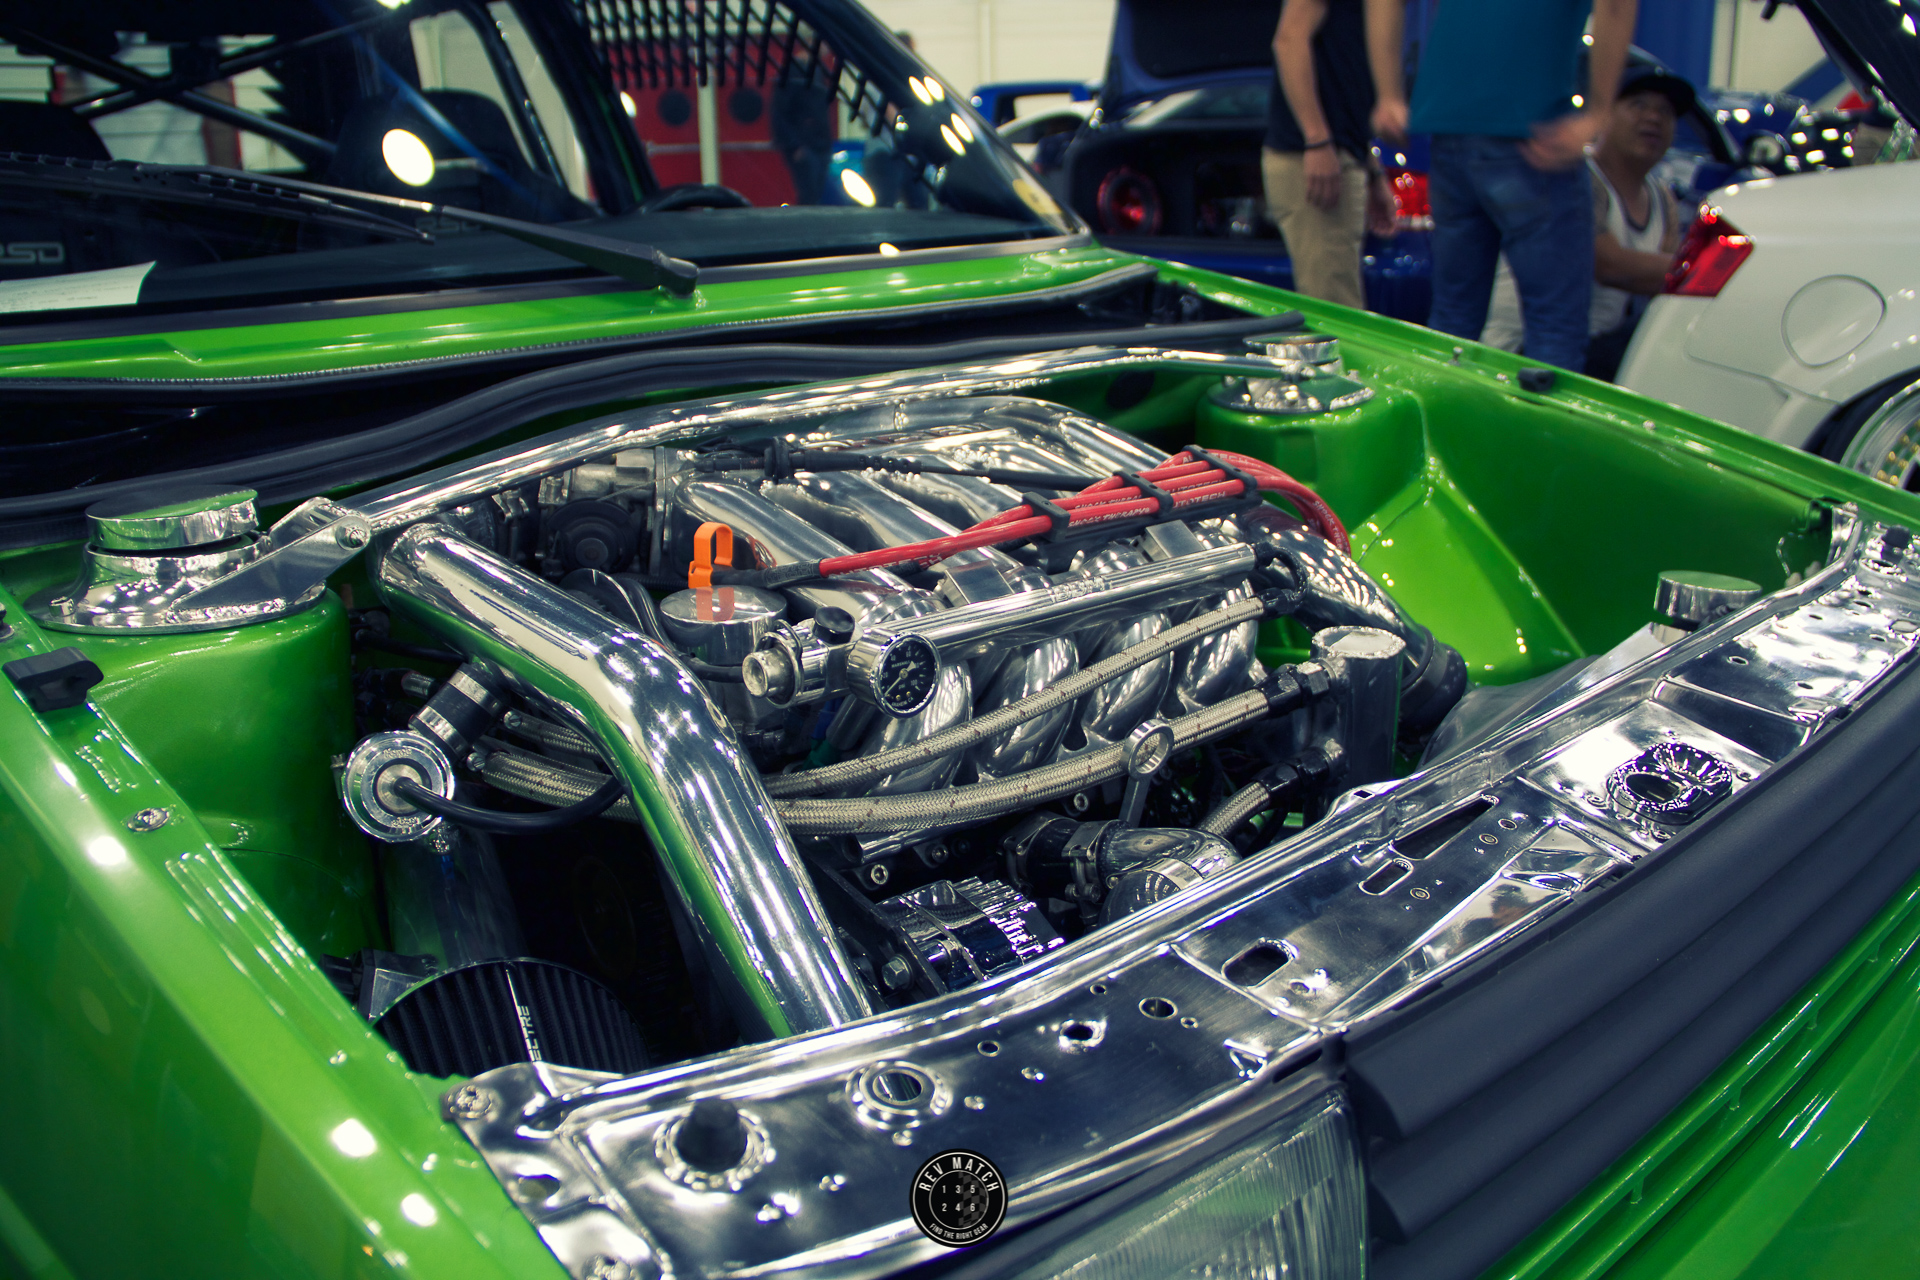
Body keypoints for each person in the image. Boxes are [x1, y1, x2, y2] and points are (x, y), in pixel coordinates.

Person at [1366, 0, 1638, 371]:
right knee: (1554, 330)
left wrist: (1388, 95)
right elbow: (1617, 6)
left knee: (1452, 322)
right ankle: (1538, 412)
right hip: (1535, 130)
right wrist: (1598, 113)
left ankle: (1440, 405)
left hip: (1449, 127)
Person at [1479, 65, 1691, 379]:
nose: (1653, 118)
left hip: (1591, 349)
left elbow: (1667, 284)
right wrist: (1703, 269)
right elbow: (1607, 265)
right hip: (1525, 350)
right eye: (1638, 104)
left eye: (1665, 111)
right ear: (1605, 115)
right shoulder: (1578, 179)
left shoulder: (1661, 198)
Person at [1264, 0, 1398, 308]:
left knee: (1339, 302)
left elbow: (1348, 84)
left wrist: (1372, 169)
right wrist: (1317, 141)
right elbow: (1289, 41)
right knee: (1335, 312)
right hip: (1313, 162)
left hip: (1341, 156)